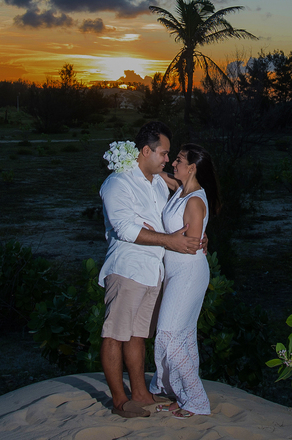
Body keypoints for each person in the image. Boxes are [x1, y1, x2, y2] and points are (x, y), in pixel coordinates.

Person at [98, 121, 201, 419]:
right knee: (115, 335)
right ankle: (120, 401)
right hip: (127, 268)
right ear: (146, 151)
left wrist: (198, 233)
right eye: (164, 153)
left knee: (138, 335)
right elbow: (125, 229)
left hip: (153, 270)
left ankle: (141, 392)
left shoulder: (157, 181)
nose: (168, 159)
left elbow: (181, 204)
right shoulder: (118, 183)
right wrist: (168, 240)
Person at [150, 143, 219, 418]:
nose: (172, 163)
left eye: (178, 160)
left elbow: (191, 245)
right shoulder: (180, 190)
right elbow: (158, 176)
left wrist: (156, 240)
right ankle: (182, 395)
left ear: (191, 168)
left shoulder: (194, 200)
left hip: (189, 274)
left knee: (168, 334)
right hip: (176, 272)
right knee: (185, 336)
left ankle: (197, 399)